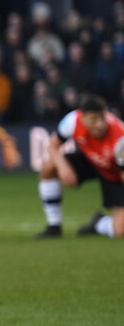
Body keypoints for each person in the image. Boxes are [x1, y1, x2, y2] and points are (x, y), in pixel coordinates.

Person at [36, 93, 124, 239]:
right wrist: (63, 167)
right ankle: (54, 226)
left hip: (114, 174)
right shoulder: (72, 121)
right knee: (48, 168)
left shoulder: (120, 138)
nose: (100, 124)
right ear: (82, 118)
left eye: (102, 117)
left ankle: (99, 223)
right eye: (94, 119)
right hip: (91, 161)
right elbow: (53, 146)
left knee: (120, 231)